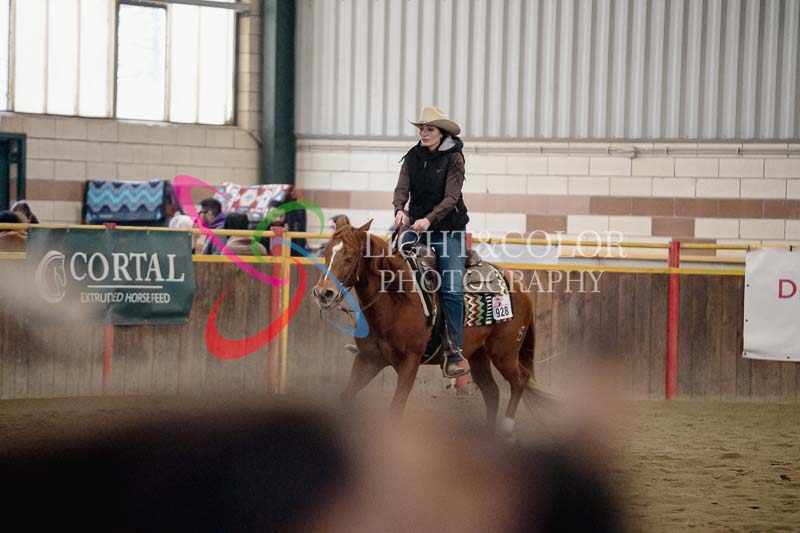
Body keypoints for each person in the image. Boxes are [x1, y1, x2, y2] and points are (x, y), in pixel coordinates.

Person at [393, 106, 470, 379]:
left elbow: (452, 198)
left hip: (449, 230)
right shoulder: (412, 157)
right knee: (388, 271)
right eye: (422, 129)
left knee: (451, 287)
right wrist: (399, 209)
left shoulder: (454, 158)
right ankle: (379, 338)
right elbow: (401, 188)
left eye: (429, 129)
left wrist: (429, 219)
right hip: (417, 227)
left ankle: (454, 350)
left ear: (442, 133)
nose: (423, 133)